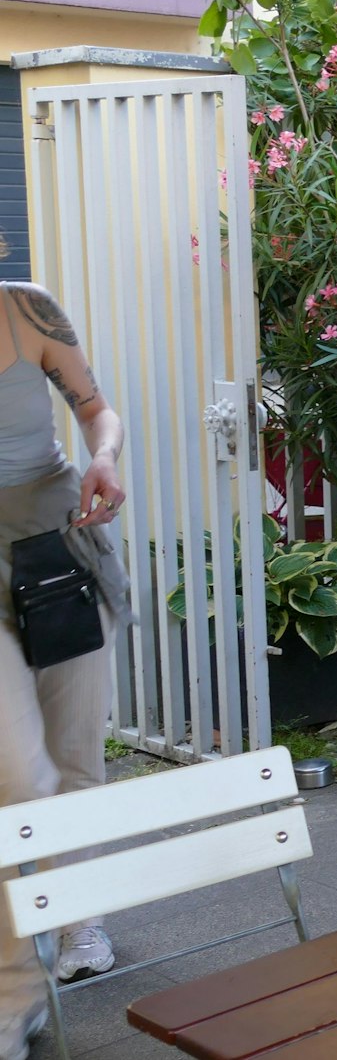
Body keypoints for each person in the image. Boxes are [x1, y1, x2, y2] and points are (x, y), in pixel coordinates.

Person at [1, 254, 132, 1060]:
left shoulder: (28, 310)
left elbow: (96, 411)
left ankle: (78, 918)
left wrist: (104, 455)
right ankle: (15, 988)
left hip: (58, 553)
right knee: (18, 776)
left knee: (76, 755)